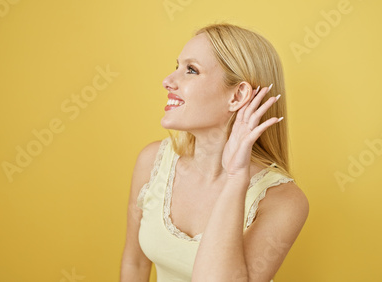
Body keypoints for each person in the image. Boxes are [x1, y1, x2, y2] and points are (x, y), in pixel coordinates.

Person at [120, 22, 309, 282]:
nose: (168, 81)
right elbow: (135, 263)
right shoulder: (151, 162)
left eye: (191, 70)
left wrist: (236, 177)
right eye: (177, 66)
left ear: (237, 95)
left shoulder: (284, 201)